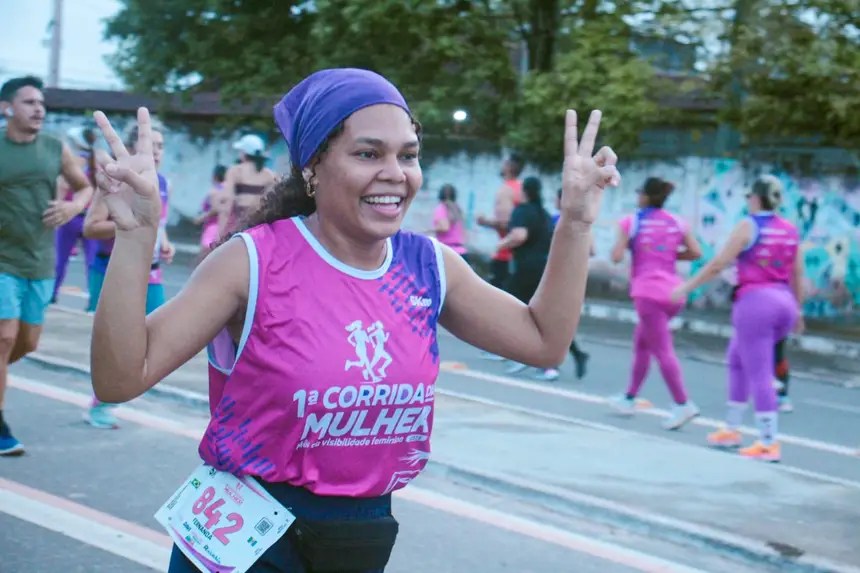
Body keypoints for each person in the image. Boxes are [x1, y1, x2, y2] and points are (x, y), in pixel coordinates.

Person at [88, 68, 619, 572]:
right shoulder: (250, 262)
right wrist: (135, 237)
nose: (395, 174)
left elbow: (544, 341)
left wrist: (574, 222)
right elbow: (120, 377)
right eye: (368, 153)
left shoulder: (429, 266)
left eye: (408, 155)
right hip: (244, 539)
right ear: (313, 167)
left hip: (360, 538)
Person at [672, 175, 803, 462]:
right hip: (784, 302)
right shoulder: (790, 229)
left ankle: (768, 442)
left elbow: (719, 263)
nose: (747, 201)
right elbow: (796, 273)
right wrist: (799, 310)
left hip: (756, 303)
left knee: (759, 372)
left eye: (748, 197)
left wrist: (685, 287)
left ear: (755, 198)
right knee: (736, 359)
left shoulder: (748, 226)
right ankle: (732, 428)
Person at [0, 75, 93, 456]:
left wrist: (72, 206)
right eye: (29, 102)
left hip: (40, 261)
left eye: (41, 103)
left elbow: (86, 187)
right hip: (2, 259)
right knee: (4, 338)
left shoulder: (55, 148)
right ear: (6, 108)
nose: (38, 109)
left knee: (27, 342)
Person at [82, 121, 175, 429]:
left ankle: (113, 393)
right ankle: (101, 402)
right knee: (119, 340)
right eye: (153, 145)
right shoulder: (114, 182)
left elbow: (159, 224)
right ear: (135, 148)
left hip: (153, 271)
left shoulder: (163, 183)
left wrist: (164, 243)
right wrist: (130, 225)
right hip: (115, 268)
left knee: (158, 336)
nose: (157, 152)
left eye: (161, 146)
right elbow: (91, 227)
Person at [609, 177, 702, 430]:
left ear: (645, 197)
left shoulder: (632, 221)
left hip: (647, 293)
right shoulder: (677, 222)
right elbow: (696, 252)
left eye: (639, 191)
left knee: (662, 350)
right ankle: (628, 398)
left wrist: (632, 246)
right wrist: (670, 254)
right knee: (642, 343)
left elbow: (616, 257)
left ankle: (683, 404)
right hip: (674, 292)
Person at [52, 126, 100, 309]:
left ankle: (51, 296)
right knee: (92, 264)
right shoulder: (99, 159)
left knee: (59, 260)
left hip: (71, 216)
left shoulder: (74, 162)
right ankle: (94, 304)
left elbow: (63, 186)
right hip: (90, 217)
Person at [552, 187, 590, 379]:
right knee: (554, 320)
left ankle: (550, 364)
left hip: (559, 276)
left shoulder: (558, 221)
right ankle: (576, 355)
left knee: (552, 320)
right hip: (565, 275)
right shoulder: (579, 223)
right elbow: (591, 250)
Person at [477, 153, 525, 288]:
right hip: (522, 256)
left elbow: (505, 224)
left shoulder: (505, 190)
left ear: (509, 168)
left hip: (506, 256)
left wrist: (484, 221)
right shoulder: (522, 188)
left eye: (504, 163)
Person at [217, 134, 277, 234]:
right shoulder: (270, 175)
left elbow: (227, 205)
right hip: (261, 227)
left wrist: (219, 234)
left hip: (239, 225)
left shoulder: (235, 171)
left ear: (244, 153)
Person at [195, 164, 228, 262]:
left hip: (213, 227)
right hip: (226, 227)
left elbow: (215, 209)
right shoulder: (229, 190)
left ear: (215, 176)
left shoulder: (215, 191)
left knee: (204, 259)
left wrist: (200, 218)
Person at [431, 183, 469, 263]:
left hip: (447, 252)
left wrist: (427, 231)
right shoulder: (457, 209)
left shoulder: (441, 207)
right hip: (461, 252)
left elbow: (444, 227)